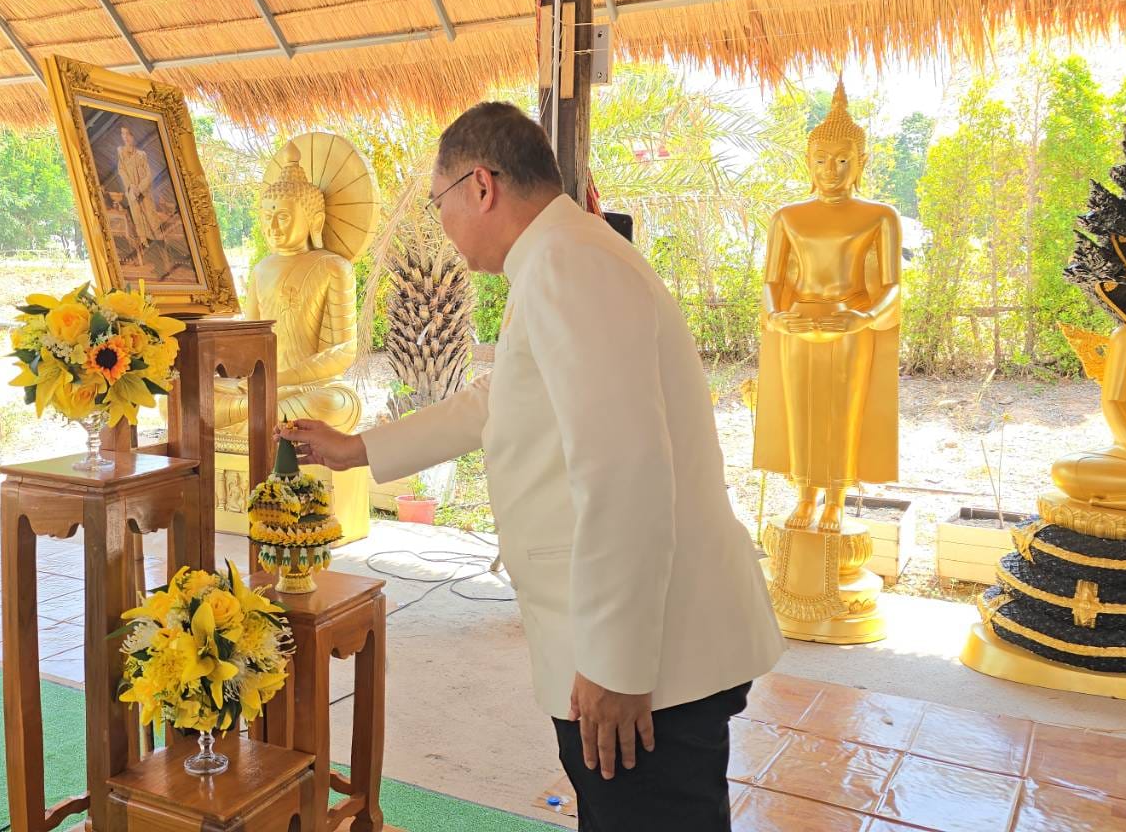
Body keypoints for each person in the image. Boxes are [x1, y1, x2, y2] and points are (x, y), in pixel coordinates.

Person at [281, 102, 784, 830]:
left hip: (651, 663)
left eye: (440, 202)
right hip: (647, 647)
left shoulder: (566, 264)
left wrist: (614, 666)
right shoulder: (558, 256)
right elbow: (498, 400)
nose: (443, 226)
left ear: (481, 186)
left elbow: (626, 472)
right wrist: (358, 449)